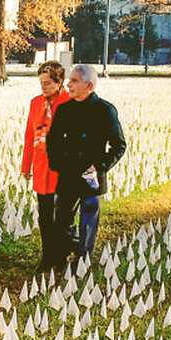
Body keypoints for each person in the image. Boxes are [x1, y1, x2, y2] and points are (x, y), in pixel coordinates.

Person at [45, 63, 126, 274]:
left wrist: (99, 168)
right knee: (62, 220)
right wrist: (57, 164)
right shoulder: (64, 109)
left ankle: (82, 264)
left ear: (88, 85)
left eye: (74, 81)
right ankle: (65, 253)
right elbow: (53, 141)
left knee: (88, 224)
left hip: (92, 179)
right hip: (68, 175)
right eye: (69, 80)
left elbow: (119, 145)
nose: (68, 84)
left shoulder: (105, 110)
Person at [21, 61, 70, 274]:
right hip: (41, 168)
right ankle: (47, 256)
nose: (44, 87)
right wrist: (26, 165)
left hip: (62, 167)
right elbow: (29, 135)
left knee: (62, 217)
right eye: (41, 83)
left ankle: (61, 256)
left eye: (48, 83)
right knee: (44, 216)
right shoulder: (35, 103)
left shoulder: (69, 102)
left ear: (59, 83)